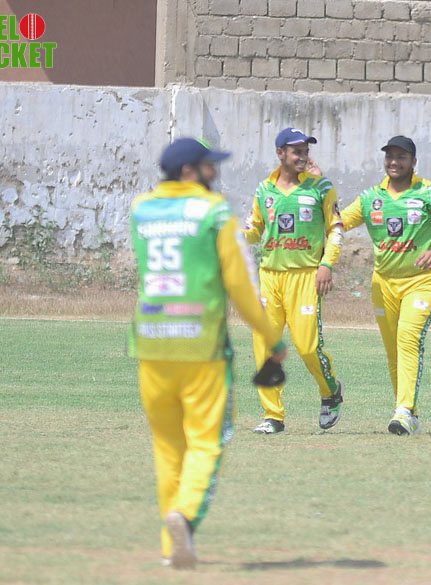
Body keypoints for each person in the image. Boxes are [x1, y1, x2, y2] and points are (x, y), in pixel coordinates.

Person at [128, 137, 287, 569]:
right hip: (202, 347)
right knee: (206, 442)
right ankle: (185, 515)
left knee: (167, 447)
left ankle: (172, 547)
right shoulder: (215, 212)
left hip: (151, 343)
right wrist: (272, 340)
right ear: (188, 172)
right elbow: (242, 287)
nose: (215, 173)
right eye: (207, 166)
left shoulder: (141, 209)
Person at [340, 136, 431, 435]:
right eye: (390, 157)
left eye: (401, 157)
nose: (394, 162)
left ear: (413, 161)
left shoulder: (429, 194)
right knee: (393, 350)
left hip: (420, 282)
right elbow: (338, 222)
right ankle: (409, 414)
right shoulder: (371, 197)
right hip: (383, 283)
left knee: (408, 339)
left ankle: (404, 411)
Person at [243, 128, 344, 434]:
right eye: (296, 151)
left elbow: (336, 229)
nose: (302, 157)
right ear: (280, 153)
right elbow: (254, 229)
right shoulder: (265, 190)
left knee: (307, 347)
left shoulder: (321, 187)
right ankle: (273, 415)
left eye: (305, 151)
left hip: (305, 277)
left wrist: (326, 264)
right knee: (265, 346)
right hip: (270, 277)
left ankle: (330, 391)